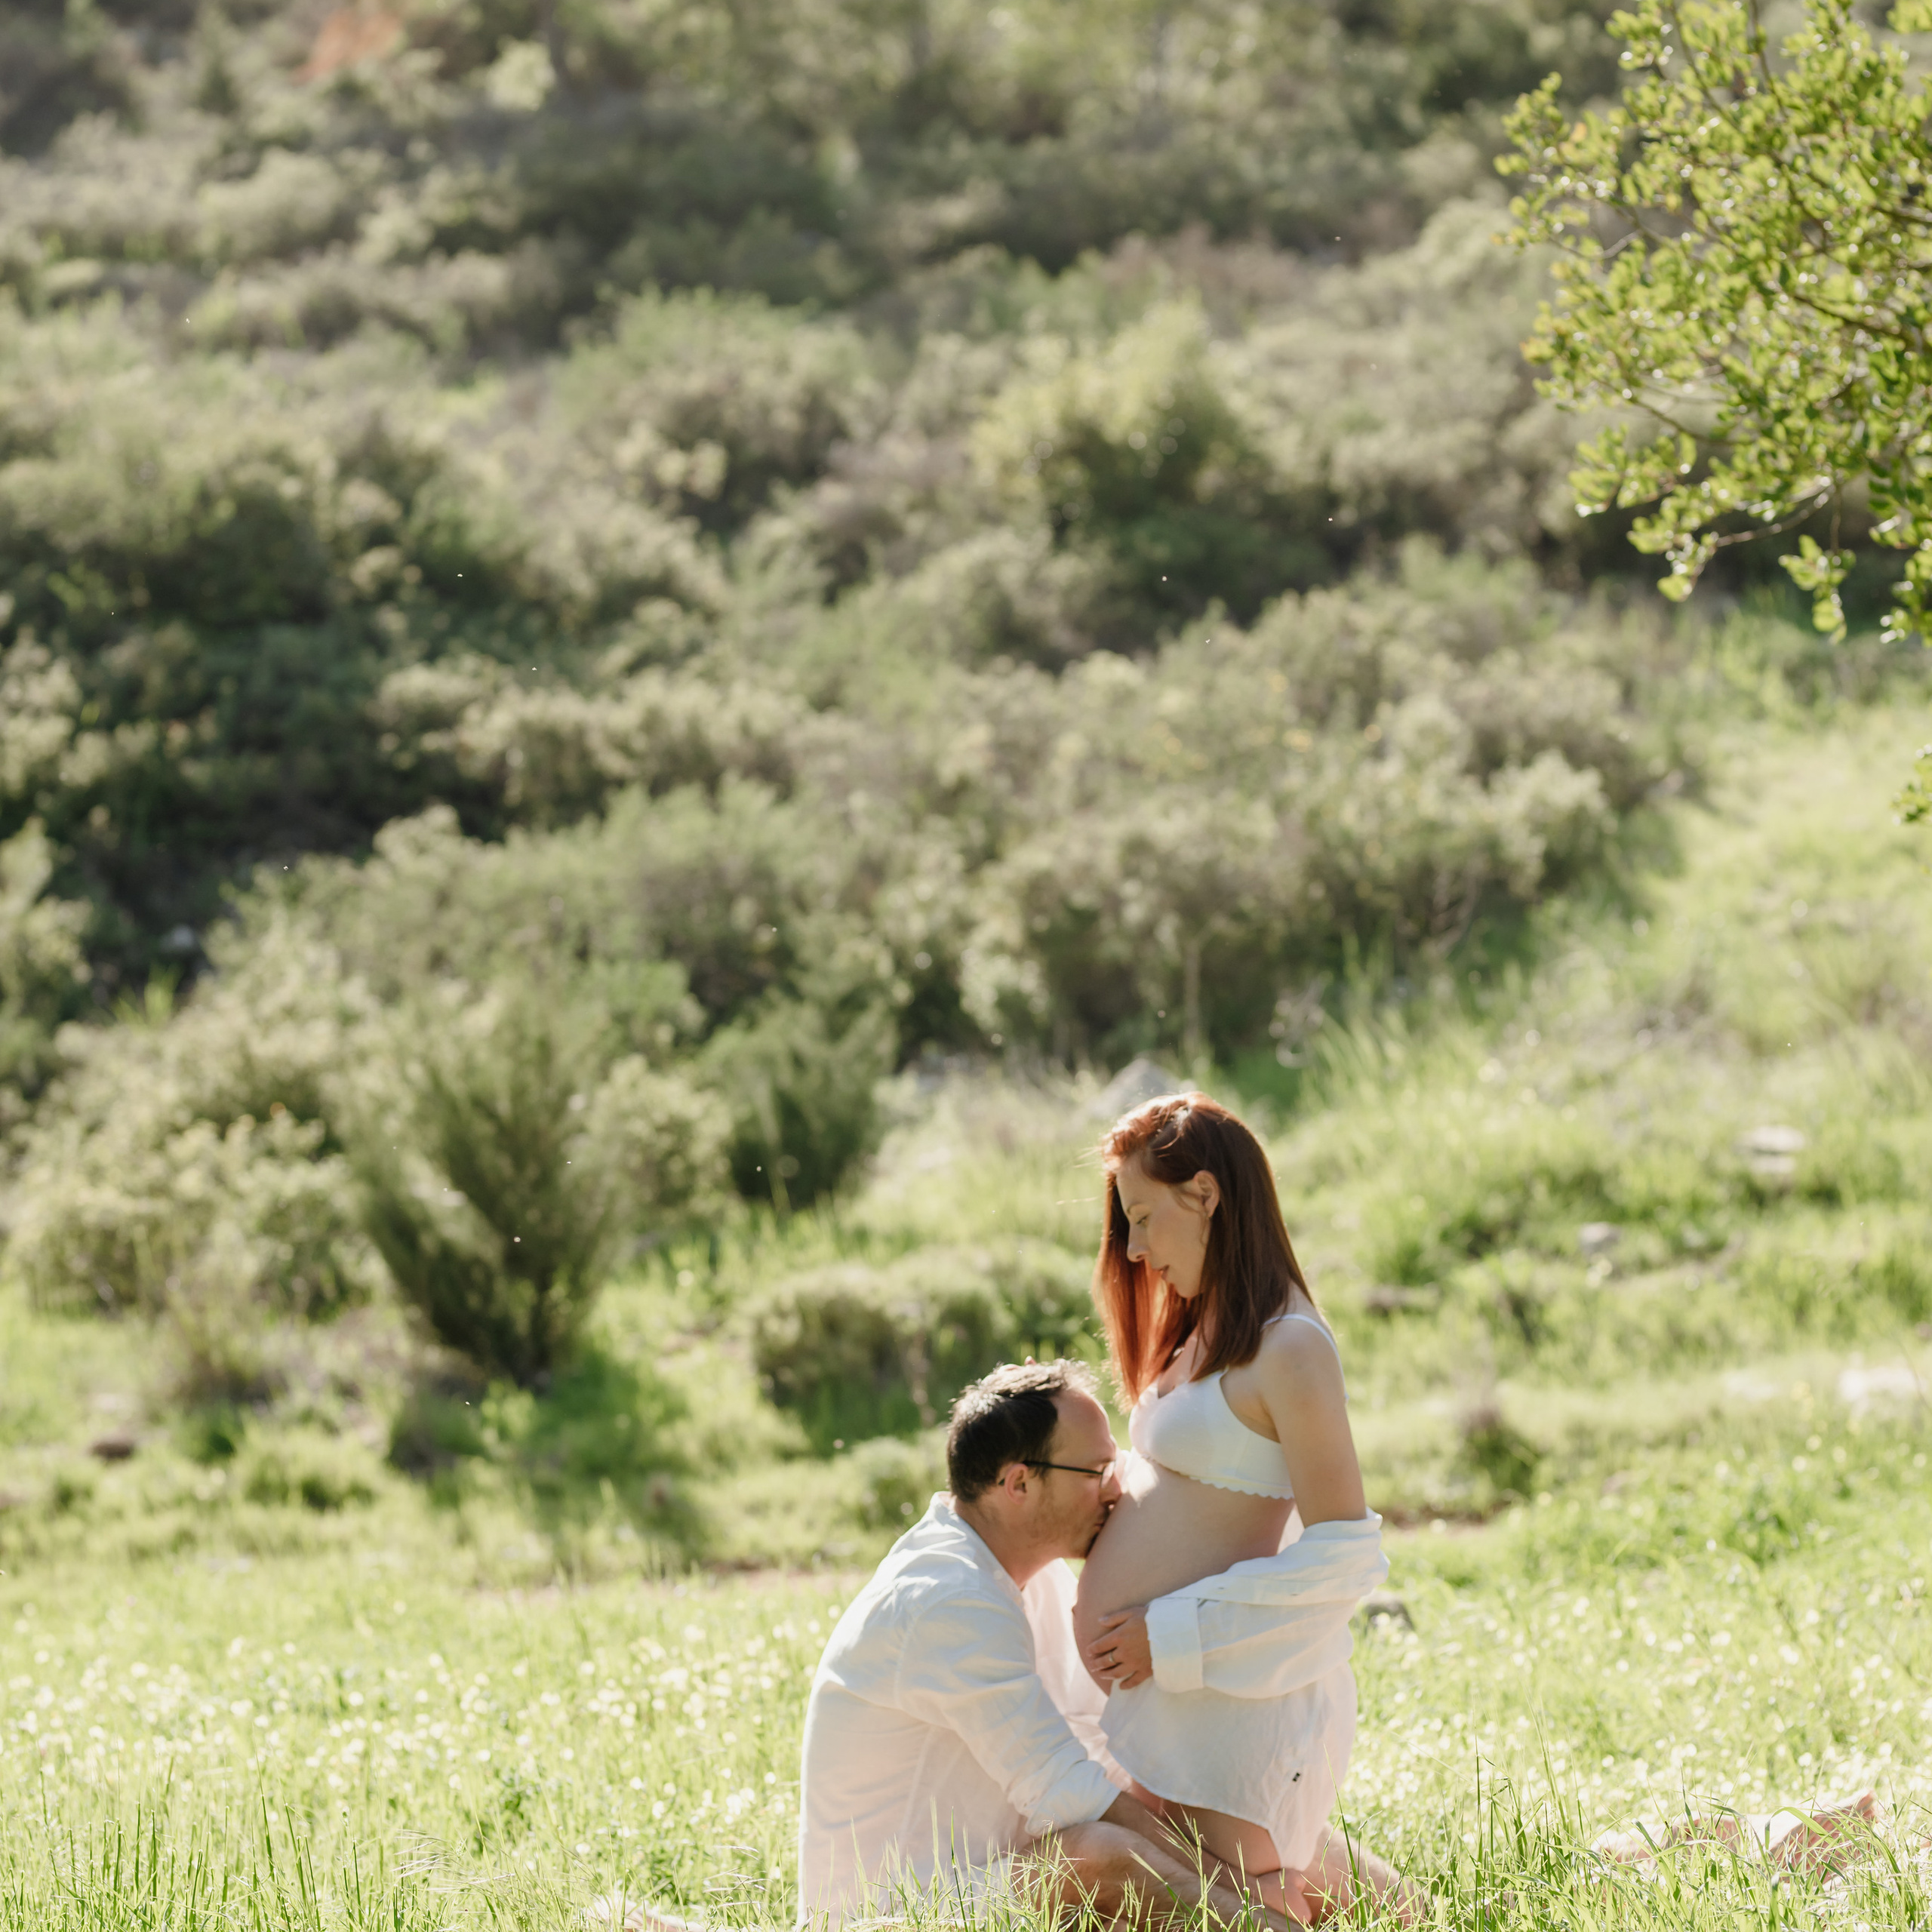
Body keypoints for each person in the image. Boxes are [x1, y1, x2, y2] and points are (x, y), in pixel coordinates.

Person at [795, 1358, 1304, 1930]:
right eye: (1097, 1470)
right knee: (1100, 1856)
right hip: (898, 1911)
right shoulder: (945, 1600)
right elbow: (1064, 1792)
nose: (1115, 1489)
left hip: (991, 1875)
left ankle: (1410, 1909)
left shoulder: (1028, 1578)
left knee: (1247, 1829)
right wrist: (1235, 1889)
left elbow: (1106, 1749)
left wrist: (1239, 1841)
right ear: (1019, 1484)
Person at [1072, 1091, 1420, 1925]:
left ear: (1206, 1194)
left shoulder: (1289, 1346)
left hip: (1230, 1699)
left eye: (1145, 1216)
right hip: (1173, 1701)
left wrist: (1173, 1631)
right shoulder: (1203, 1332)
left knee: (1250, 1909)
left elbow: (1345, 1554)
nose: (1135, 1246)